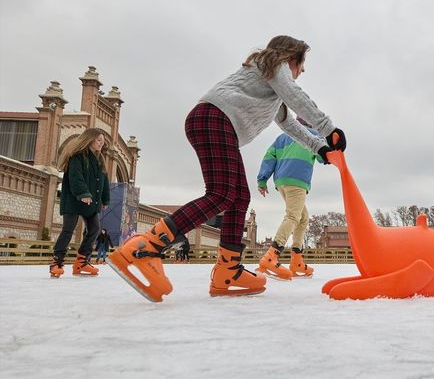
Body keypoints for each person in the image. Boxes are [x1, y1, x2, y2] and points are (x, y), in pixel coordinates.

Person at [108, 35, 346, 302]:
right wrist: (329, 129)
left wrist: (320, 148)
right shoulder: (274, 64)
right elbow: (295, 95)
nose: (301, 72)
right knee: (221, 194)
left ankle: (228, 270)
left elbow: (290, 125)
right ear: (291, 58)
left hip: (215, 122)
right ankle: (146, 247)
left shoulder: (273, 86)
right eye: (301, 66)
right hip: (215, 119)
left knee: (239, 197)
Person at [256, 118, 320, 280]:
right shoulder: (313, 136)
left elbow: (269, 156)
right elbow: (323, 157)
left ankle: (296, 260)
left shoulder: (283, 137)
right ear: (310, 122)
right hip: (297, 180)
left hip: (282, 182)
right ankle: (271, 256)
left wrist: (262, 180)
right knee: (293, 216)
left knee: (303, 218)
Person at [49, 128, 110, 278]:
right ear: (89, 139)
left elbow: (104, 181)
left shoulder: (99, 160)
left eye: (103, 141)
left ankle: (82, 262)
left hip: (91, 201)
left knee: (94, 228)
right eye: (98, 140)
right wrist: (83, 193)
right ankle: (57, 262)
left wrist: (105, 199)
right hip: (74, 199)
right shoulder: (77, 157)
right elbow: (76, 177)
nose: (101, 144)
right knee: (68, 230)